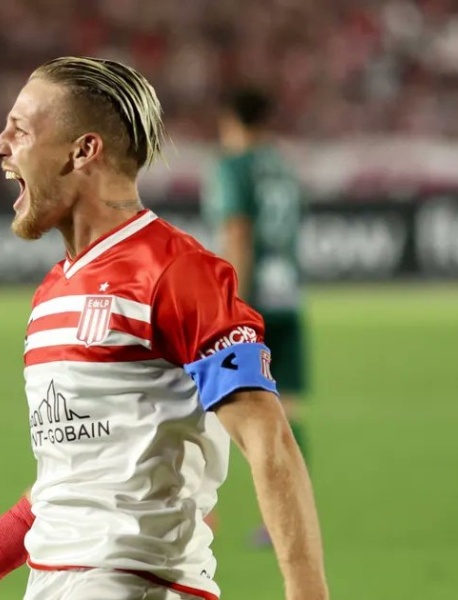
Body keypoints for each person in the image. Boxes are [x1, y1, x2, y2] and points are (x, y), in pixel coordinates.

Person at [0, 57, 327, 600]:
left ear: (83, 150)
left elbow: (269, 438)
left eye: (20, 130)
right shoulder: (54, 291)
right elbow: (69, 481)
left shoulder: (175, 272)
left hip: (135, 582)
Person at [201, 86, 309, 549]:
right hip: (289, 295)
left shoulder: (234, 167)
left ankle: (193, 509)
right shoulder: (283, 167)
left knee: (210, 400)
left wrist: (234, 303)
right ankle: (291, 518)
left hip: (254, 298)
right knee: (288, 410)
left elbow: (238, 232)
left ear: (231, 121)